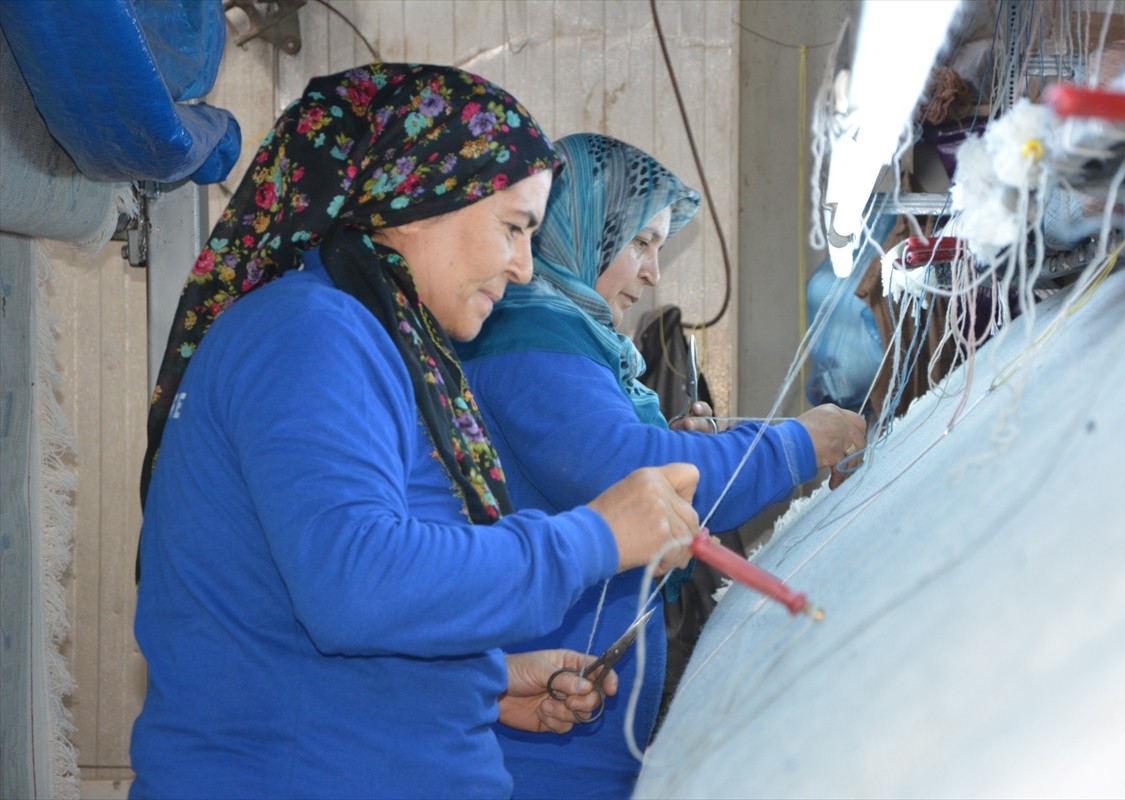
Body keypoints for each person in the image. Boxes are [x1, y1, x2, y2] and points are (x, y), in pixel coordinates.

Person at [129, 67, 700, 800]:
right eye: (514, 227)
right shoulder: (314, 335)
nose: (524, 267)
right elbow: (355, 580)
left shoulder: (370, 339)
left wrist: (484, 681)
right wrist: (594, 536)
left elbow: (289, 607)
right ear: (421, 197)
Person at [457, 133, 867, 798]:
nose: (653, 273)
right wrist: (798, 444)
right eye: (641, 243)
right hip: (537, 745)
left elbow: (595, 460)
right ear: (584, 229)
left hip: (561, 716)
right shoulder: (528, 343)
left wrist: (678, 437)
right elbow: (631, 471)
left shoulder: (567, 342)